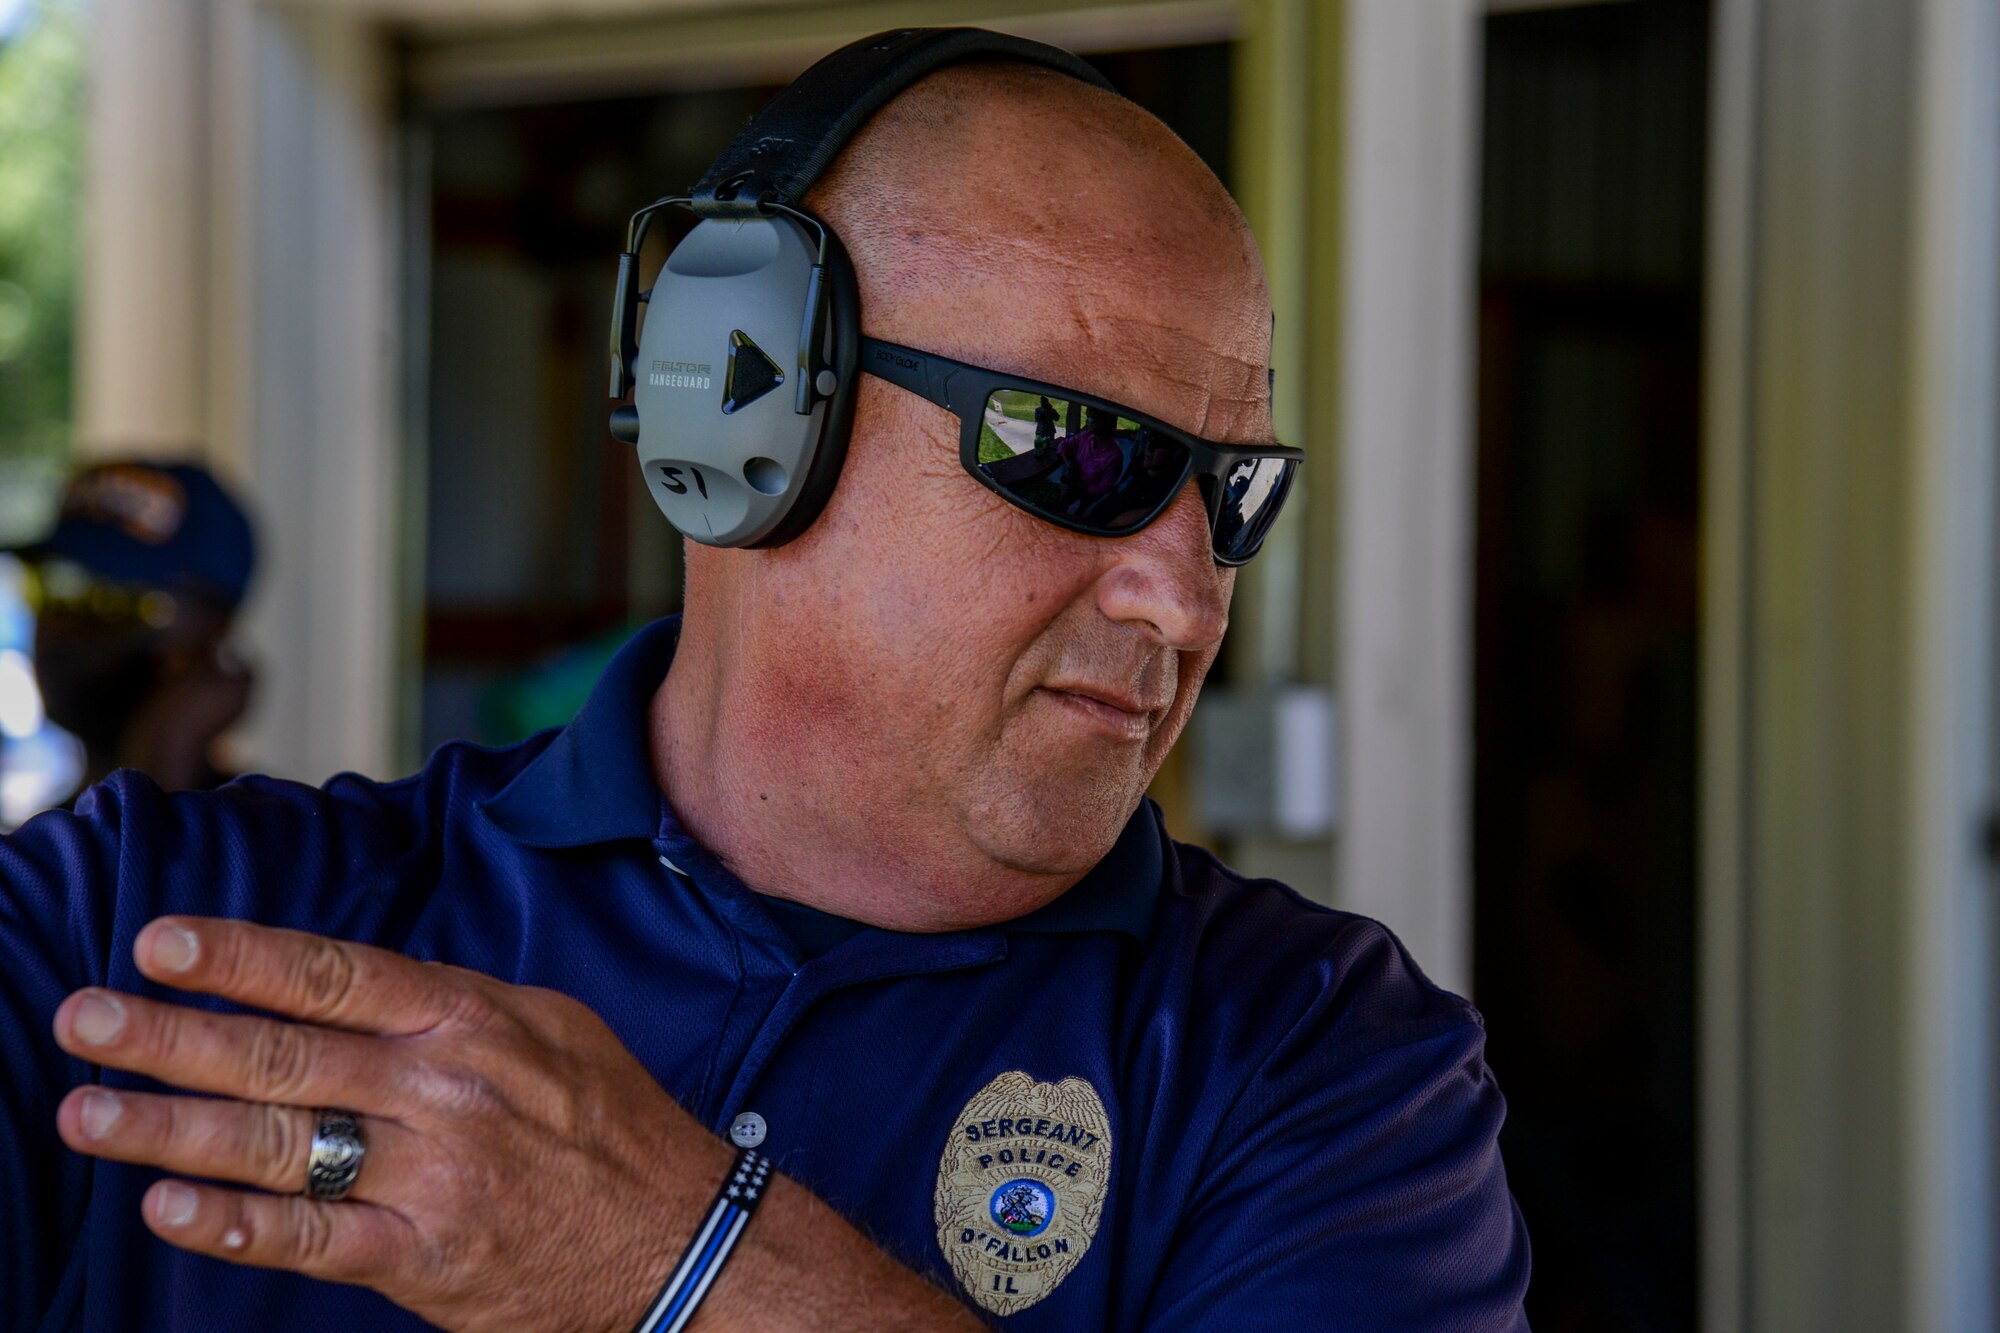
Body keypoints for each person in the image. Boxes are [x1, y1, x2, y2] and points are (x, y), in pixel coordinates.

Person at [0, 44, 1529, 1333]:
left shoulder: (1331, 1064)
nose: (1184, 595)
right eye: (1084, 454)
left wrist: (685, 1254)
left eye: (1231, 496)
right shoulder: (137, 926)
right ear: (741, 404)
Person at [14, 460, 256, 797]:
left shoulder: (271, 832)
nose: (57, 628)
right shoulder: (51, 831)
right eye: (50, 586)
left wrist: (165, 763)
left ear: (210, 630)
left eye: (109, 603)